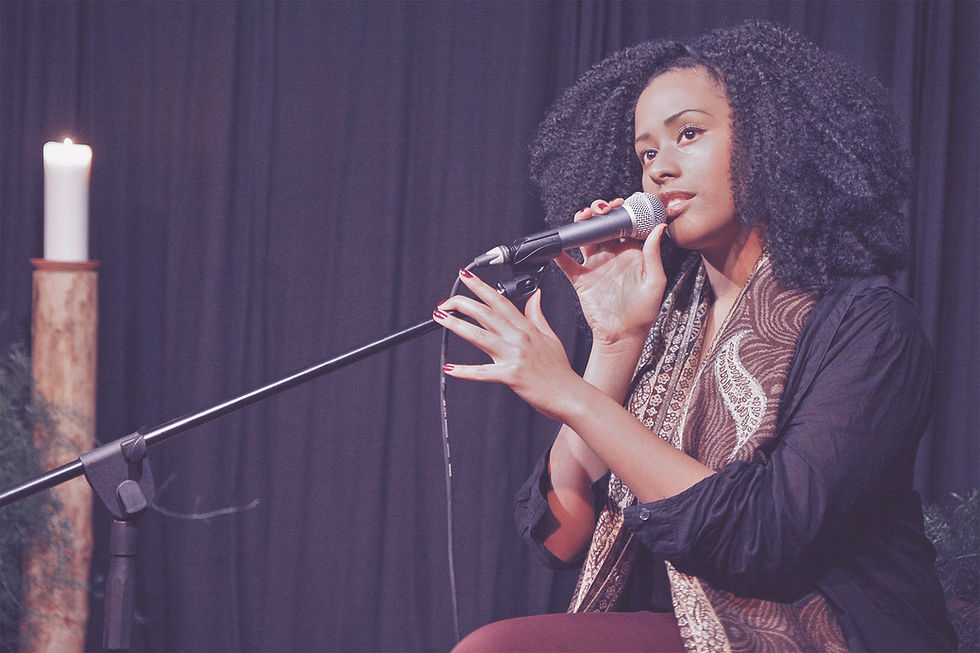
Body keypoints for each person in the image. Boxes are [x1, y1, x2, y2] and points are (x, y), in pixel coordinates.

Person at [433, 20, 955, 652]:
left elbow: (768, 537)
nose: (660, 169)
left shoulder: (869, 326)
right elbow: (560, 537)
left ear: (773, 141)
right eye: (647, 152)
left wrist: (568, 393)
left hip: (828, 628)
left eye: (689, 134)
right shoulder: (667, 324)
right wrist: (616, 342)